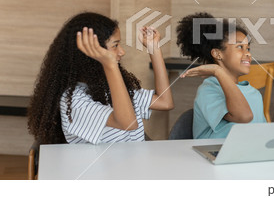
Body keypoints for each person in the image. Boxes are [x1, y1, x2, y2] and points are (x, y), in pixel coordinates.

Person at [28, 12, 173, 144]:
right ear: (91, 53)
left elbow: (165, 102)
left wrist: (154, 48)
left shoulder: (110, 87)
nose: (122, 52)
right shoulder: (74, 101)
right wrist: (110, 65)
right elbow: (127, 123)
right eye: (115, 45)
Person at [176, 12, 266, 139]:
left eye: (248, 48)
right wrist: (218, 71)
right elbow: (244, 116)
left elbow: (262, 134)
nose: (248, 54)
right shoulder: (208, 90)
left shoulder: (254, 94)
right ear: (218, 54)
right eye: (240, 47)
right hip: (214, 154)